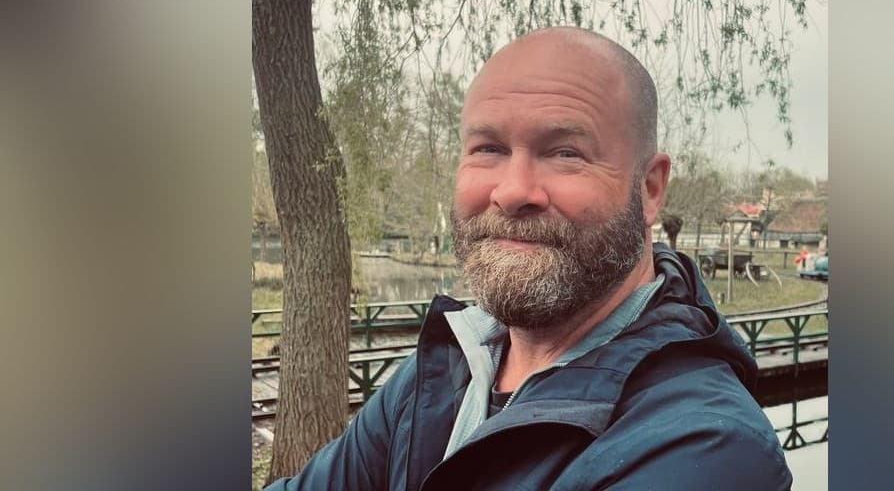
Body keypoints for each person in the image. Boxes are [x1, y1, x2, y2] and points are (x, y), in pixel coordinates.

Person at [266, 27, 792, 490]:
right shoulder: (451, 366)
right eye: (488, 149)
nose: (513, 191)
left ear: (649, 189)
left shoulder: (706, 447)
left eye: (565, 153)